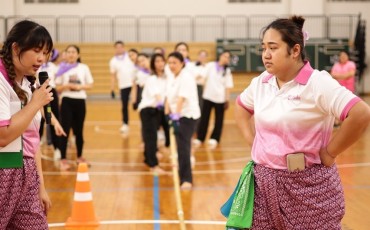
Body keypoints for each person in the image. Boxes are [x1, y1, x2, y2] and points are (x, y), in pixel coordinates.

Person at [235, 15, 370, 229]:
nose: (266, 55)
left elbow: (361, 114)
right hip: (263, 186)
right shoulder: (261, 82)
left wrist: (330, 152)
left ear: (295, 50)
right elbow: (241, 106)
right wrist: (252, 141)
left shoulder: (318, 83)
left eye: (273, 48)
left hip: (309, 188)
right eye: (263, 48)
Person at [0, 20, 66, 229]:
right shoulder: (1, 80)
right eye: (36, 51)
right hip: (4, 170)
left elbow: (32, 142)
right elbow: (3, 136)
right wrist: (36, 102)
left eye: (46, 52)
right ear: (16, 47)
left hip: (26, 173)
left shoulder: (28, 84)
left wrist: (40, 186)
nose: (41, 59)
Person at [165, 51, 200, 189]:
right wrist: (167, 114)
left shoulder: (186, 77)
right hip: (176, 115)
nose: (172, 65)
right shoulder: (172, 77)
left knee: (184, 147)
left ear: (182, 63)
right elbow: (168, 97)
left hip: (187, 116)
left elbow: (181, 98)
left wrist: (176, 117)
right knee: (180, 147)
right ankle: (181, 174)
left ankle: (187, 179)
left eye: (175, 63)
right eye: (170, 63)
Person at [55, 44, 94, 170]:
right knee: (64, 130)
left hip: (80, 100)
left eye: (74, 52)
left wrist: (79, 87)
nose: (71, 54)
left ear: (78, 54)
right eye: (69, 52)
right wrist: (66, 86)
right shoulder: (61, 68)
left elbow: (90, 84)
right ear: (65, 54)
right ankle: (63, 159)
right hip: (66, 100)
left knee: (79, 130)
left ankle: (80, 156)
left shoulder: (84, 67)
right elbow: (57, 87)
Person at [194, 50, 233, 149]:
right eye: (225, 56)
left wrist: (227, 100)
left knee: (219, 120)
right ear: (220, 56)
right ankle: (200, 138)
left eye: (228, 58)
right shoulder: (211, 65)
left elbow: (228, 86)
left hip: (220, 99)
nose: (226, 58)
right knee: (204, 119)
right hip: (208, 96)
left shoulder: (227, 71)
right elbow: (202, 77)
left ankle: (215, 138)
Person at [138, 53, 168, 174]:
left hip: (158, 110)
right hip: (148, 110)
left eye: (162, 61)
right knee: (151, 138)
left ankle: (147, 158)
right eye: (157, 61)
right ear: (153, 64)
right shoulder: (151, 79)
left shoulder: (167, 79)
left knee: (156, 136)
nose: (160, 63)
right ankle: (153, 165)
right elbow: (158, 97)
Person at [37, 48, 62, 160]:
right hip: (38, 92)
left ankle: (57, 148)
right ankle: (37, 146)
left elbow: (58, 81)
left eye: (49, 53)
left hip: (52, 93)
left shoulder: (54, 67)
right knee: (39, 121)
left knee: (53, 119)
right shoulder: (36, 65)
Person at [109, 41, 137, 133]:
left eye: (121, 47)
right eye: (117, 47)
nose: (119, 49)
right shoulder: (113, 61)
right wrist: (112, 89)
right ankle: (125, 124)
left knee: (138, 104)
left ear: (124, 47)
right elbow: (113, 76)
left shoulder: (130, 56)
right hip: (123, 85)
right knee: (124, 105)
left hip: (135, 83)